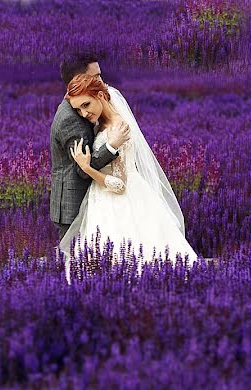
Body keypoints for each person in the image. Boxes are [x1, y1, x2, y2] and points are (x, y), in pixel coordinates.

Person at [58, 73, 200, 278]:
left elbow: (120, 186)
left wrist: (87, 168)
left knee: (129, 260)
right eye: (78, 109)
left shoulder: (119, 128)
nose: (83, 113)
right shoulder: (102, 123)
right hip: (102, 198)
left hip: (118, 199)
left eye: (86, 105)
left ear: (100, 95)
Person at [49, 53, 131, 242]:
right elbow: (82, 168)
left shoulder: (86, 110)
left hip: (102, 197)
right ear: (78, 80)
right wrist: (111, 146)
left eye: (100, 76)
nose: (101, 81)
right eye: (95, 77)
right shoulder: (72, 119)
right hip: (73, 206)